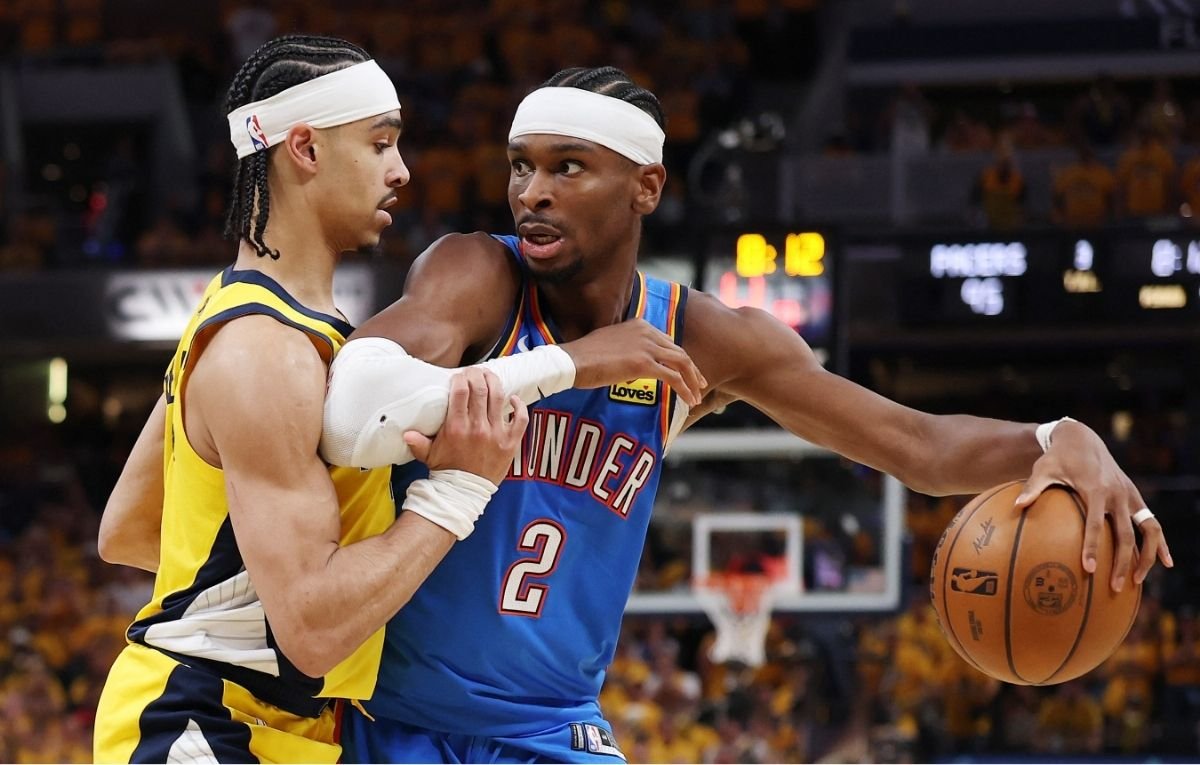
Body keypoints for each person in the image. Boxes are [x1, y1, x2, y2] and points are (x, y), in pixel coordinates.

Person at [319, 66, 1173, 763]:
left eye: (566, 166)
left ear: (645, 186)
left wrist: (1059, 437)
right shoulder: (476, 274)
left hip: (552, 728)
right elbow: (350, 397)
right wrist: (570, 365)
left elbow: (917, 445)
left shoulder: (703, 335)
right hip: (388, 717)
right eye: (520, 165)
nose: (531, 192)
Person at [90, 35, 532, 764]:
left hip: (269, 722)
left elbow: (133, 528)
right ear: (305, 148)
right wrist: (458, 488)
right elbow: (314, 631)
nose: (402, 169)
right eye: (380, 143)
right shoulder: (264, 351)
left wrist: (258, 575)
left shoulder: (243, 318)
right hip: (206, 724)